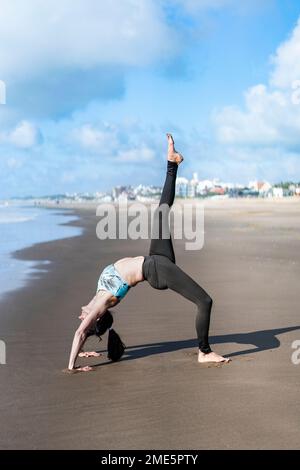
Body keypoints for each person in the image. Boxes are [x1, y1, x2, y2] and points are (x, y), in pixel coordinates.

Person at [66, 134, 229, 372]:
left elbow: (83, 330)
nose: (81, 316)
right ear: (97, 319)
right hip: (155, 271)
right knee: (205, 301)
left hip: (155, 258)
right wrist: (72, 366)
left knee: (162, 212)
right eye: (87, 320)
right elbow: (80, 333)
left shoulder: (97, 294)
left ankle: (171, 163)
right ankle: (204, 352)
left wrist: (85, 349)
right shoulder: (101, 304)